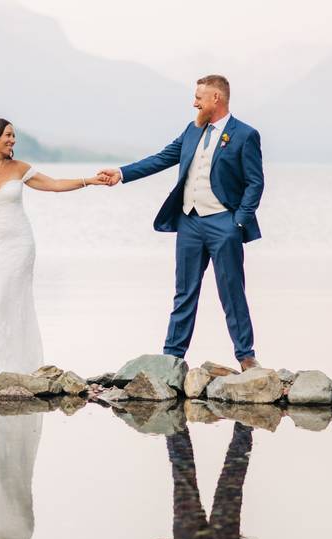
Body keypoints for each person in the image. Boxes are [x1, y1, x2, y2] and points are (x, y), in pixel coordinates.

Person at [98, 75, 265, 371]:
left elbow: (255, 183)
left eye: (199, 97)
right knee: (184, 291)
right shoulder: (192, 131)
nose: (194, 102)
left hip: (223, 223)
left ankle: (246, 357)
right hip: (189, 222)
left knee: (232, 291)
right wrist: (121, 174)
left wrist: (238, 222)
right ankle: (172, 358)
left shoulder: (245, 135)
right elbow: (161, 158)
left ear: (216, 98)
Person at [0, 117, 109, 376]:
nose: (13, 140)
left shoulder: (19, 168)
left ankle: (17, 364)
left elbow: (54, 185)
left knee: (16, 300)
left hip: (20, 244)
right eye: (8, 135)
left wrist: (88, 180)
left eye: (14, 136)